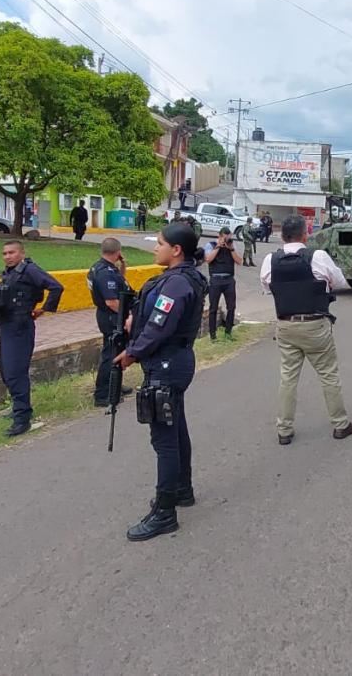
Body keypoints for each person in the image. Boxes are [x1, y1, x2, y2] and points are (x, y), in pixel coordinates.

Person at [116, 222, 207, 541]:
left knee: (164, 439)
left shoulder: (178, 284)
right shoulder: (182, 279)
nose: (156, 248)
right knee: (176, 427)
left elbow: (159, 325)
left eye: (159, 243)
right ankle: (181, 489)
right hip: (172, 361)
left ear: (176, 250)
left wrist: (132, 352)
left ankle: (165, 512)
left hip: (168, 363)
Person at [260, 214, 352, 445]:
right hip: (315, 324)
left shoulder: (270, 260)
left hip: (285, 324)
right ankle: (340, 424)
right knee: (328, 375)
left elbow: (267, 287)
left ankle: (284, 429)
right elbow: (341, 281)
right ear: (306, 234)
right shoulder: (318, 256)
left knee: (288, 378)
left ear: (282, 236)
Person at [0, 240, 64, 436]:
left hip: (20, 326)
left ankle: (22, 419)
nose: (7, 256)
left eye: (11, 253)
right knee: (6, 371)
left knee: (15, 372)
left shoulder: (29, 270)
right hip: (5, 327)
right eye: (4, 253)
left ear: (21, 253)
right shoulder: (7, 274)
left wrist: (44, 309)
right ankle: (18, 408)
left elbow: (56, 287)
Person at [88, 237, 133, 406]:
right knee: (111, 355)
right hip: (111, 316)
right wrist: (128, 314)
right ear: (118, 252)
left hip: (109, 315)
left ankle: (115, 385)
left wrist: (123, 266)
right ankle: (102, 394)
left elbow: (119, 283)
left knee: (116, 351)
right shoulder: (105, 272)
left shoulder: (101, 267)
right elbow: (112, 302)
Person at [204, 227, 242, 341]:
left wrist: (231, 249)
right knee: (213, 308)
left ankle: (228, 333)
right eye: (224, 237)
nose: (226, 240)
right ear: (219, 236)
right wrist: (218, 247)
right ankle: (212, 335)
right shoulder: (210, 245)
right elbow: (208, 259)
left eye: (228, 237)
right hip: (215, 279)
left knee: (231, 307)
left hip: (229, 279)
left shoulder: (232, 246)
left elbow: (239, 261)